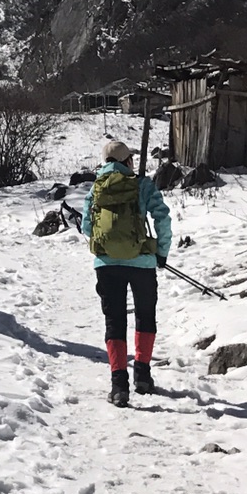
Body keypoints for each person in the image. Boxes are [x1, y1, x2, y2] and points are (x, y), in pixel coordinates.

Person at [81, 138, 173, 406]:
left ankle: (119, 384)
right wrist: (161, 252)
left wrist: (107, 248)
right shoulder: (142, 185)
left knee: (115, 321)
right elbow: (162, 218)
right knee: (145, 315)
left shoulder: (96, 188)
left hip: (107, 266)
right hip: (142, 262)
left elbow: (88, 227)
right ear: (127, 161)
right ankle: (142, 375)